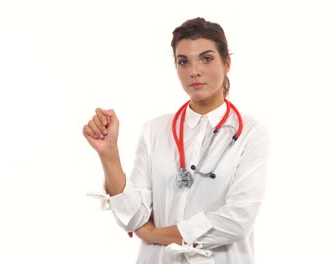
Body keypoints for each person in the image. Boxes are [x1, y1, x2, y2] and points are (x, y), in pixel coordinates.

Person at [83, 17, 269, 264]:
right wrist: (109, 154)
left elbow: (238, 220)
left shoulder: (251, 133)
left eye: (206, 58)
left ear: (227, 63)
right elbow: (133, 218)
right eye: (183, 62)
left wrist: (155, 234)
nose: (194, 71)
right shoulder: (155, 130)